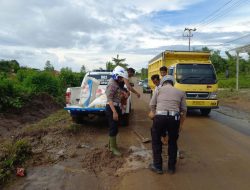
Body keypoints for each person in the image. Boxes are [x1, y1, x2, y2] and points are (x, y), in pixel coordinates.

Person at [149, 75, 187, 174]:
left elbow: (152, 105)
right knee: (173, 142)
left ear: (163, 83)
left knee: (156, 141)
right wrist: (180, 125)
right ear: (172, 83)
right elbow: (184, 110)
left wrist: (155, 113)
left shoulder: (158, 90)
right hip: (174, 118)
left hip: (160, 117)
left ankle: (158, 167)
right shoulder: (180, 92)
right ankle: (171, 168)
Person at [105, 66, 128, 156]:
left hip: (116, 107)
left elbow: (117, 92)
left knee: (115, 127)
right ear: (116, 75)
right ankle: (113, 148)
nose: (122, 79)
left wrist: (124, 93)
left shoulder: (116, 83)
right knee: (113, 127)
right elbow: (109, 99)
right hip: (111, 108)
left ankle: (111, 145)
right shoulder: (112, 84)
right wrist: (114, 112)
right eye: (121, 77)